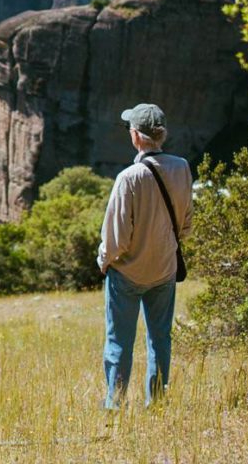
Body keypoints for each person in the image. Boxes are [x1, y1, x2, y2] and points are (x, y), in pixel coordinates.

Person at [97, 103, 193, 408]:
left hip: (127, 273)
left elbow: (116, 237)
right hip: (164, 269)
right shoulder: (182, 167)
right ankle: (158, 402)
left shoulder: (129, 177)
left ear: (137, 137)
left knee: (119, 342)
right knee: (160, 339)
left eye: (130, 129)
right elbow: (186, 224)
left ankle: (115, 404)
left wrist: (104, 261)